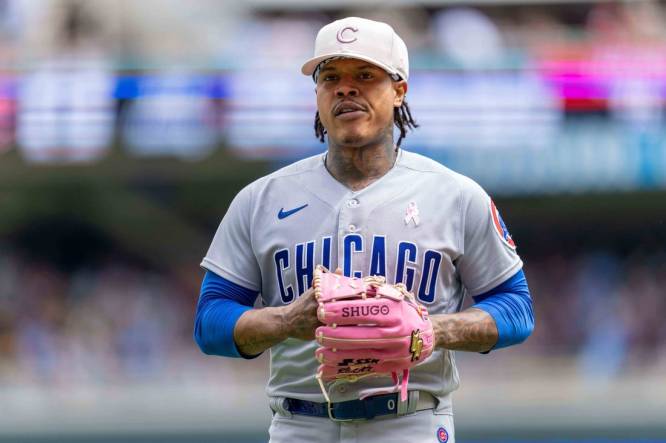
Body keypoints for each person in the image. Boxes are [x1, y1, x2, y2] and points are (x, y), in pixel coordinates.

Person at [194, 16, 534, 443]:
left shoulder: (455, 195)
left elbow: (517, 309)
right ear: (317, 94)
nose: (345, 88)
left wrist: (433, 330)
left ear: (399, 90)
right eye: (330, 77)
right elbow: (210, 323)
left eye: (365, 75)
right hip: (300, 424)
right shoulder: (261, 199)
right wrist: (284, 320)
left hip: (411, 421)